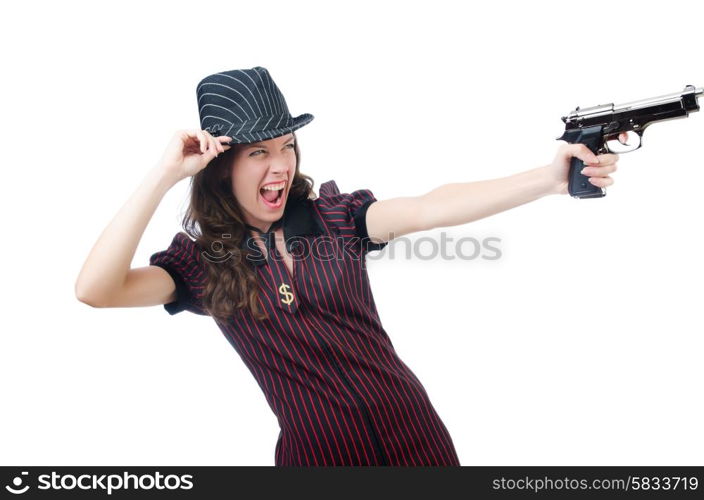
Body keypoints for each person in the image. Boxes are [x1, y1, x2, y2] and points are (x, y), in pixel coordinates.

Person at [75, 67, 625, 466]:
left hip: (418, 443)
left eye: (286, 146)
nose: (281, 165)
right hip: (318, 461)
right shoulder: (201, 263)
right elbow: (96, 290)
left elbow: (431, 206)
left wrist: (550, 179)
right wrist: (163, 175)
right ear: (220, 167)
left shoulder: (336, 218)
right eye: (258, 152)